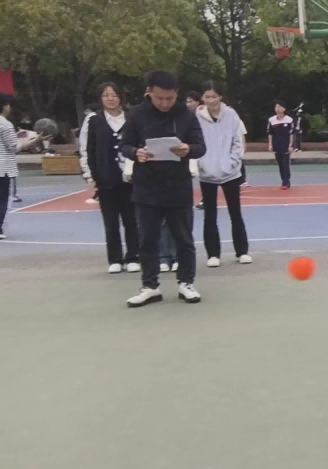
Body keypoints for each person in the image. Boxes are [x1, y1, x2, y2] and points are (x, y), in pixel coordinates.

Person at [120, 71, 205, 307]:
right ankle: (150, 286)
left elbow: (200, 147)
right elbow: (125, 145)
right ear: (149, 93)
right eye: (159, 98)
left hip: (178, 186)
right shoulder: (137, 114)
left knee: (184, 238)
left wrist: (188, 149)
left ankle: (186, 283)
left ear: (176, 94)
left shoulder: (186, 115)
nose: (165, 103)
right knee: (147, 240)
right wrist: (135, 153)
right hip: (146, 187)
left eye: (170, 98)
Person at [85, 82, 140, 274]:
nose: (110, 99)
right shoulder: (95, 121)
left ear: (121, 97)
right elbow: (90, 151)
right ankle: (115, 258)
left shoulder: (132, 118)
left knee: (131, 221)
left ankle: (133, 256)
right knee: (110, 222)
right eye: (106, 95)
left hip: (130, 179)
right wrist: (93, 177)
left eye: (114, 95)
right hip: (106, 179)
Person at [196, 81, 251, 268]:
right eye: (207, 96)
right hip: (207, 173)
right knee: (210, 214)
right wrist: (201, 163)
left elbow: (238, 141)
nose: (211, 100)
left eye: (214, 96)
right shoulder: (197, 117)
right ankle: (213, 254)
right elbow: (194, 141)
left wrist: (232, 162)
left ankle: (242, 251)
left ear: (220, 96)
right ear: (202, 98)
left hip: (230, 173)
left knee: (235, 212)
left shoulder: (231, 115)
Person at [0, 91, 46, 239]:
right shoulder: (5, 124)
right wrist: (36, 140)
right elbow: (14, 147)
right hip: (1, 167)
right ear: (4, 106)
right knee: (2, 199)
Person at [268, 100, 295, 190]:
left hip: (286, 144)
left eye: (279, 107)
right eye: (276, 107)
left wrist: (291, 145)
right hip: (276, 144)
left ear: (284, 109)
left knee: (285, 163)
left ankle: (286, 182)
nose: (277, 109)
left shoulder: (289, 120)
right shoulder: (271, 120)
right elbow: (270, 133)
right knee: (280, 163)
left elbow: (291, 134)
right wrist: (270, 144)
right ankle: (283, 179)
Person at [79, 104, 100, 205]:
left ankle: (99, 194)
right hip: (89, 151)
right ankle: (98, 193)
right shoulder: (93, 118)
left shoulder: (92, 118)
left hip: (90, 152)